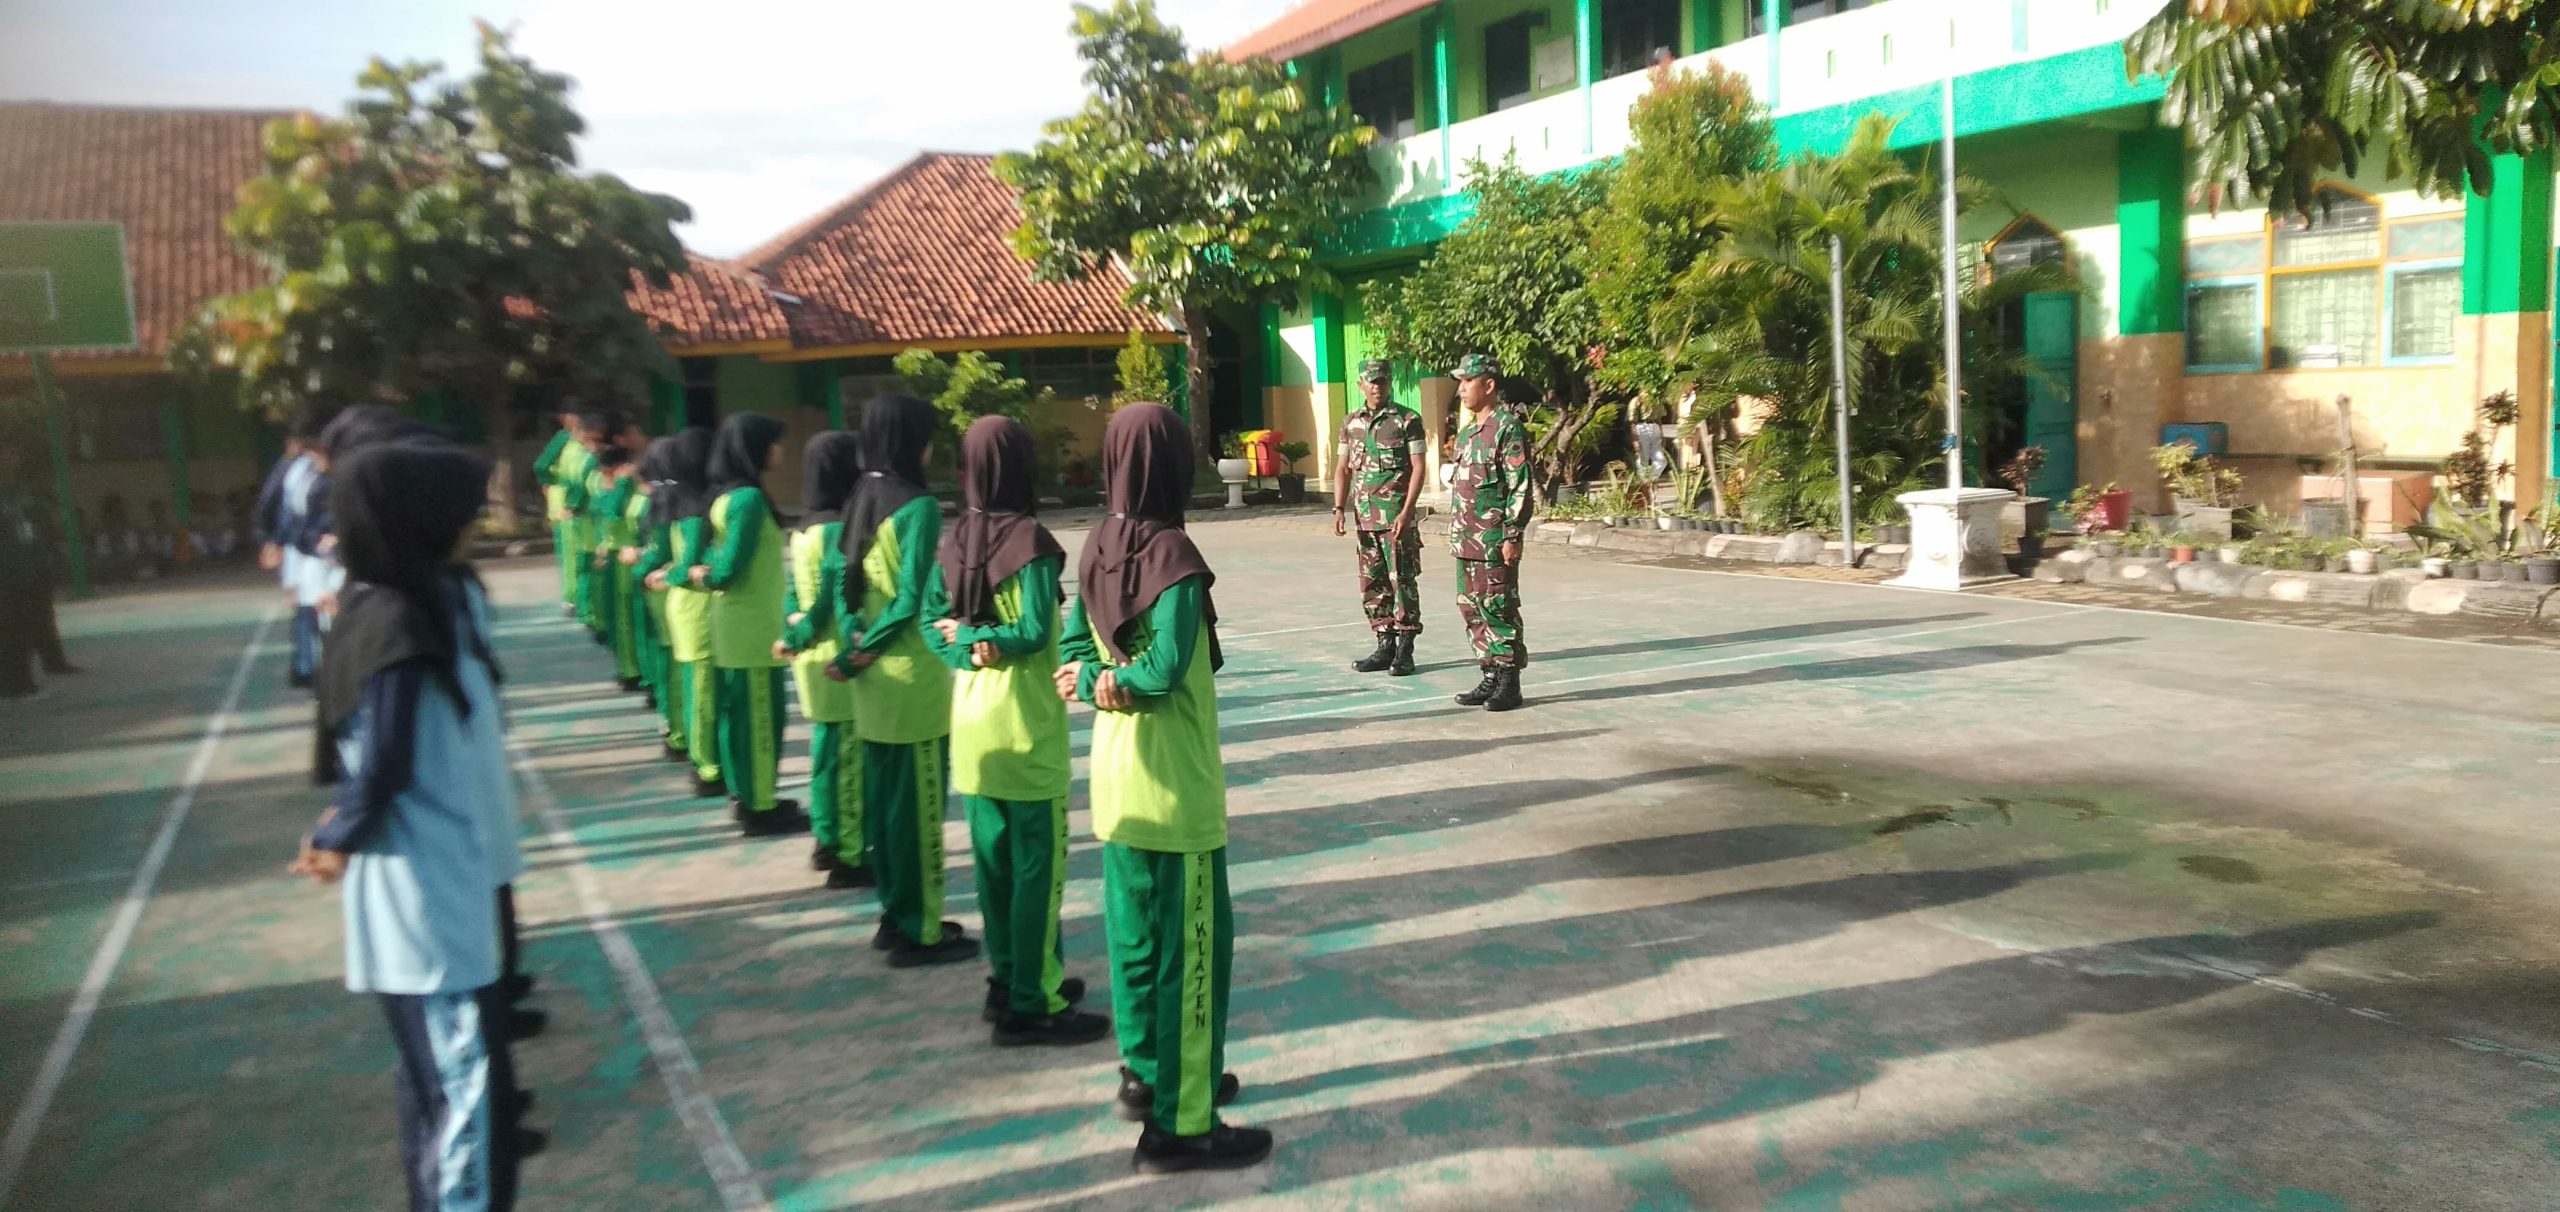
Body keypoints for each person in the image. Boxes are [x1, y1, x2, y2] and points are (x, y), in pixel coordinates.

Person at [292, 436, 529, 1212]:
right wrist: (335, 836)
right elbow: (385, 763)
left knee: (433, 1090)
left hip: (426, 882)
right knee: (462, 1101)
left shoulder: (390, 603)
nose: (472, 526)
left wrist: (338, 827)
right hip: (429, 897)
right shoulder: (398, 625)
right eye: (459, 513)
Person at [1055, 403, 1266, 1174]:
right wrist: (1118, 679)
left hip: (1117, 780)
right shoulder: (1172, 552)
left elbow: (1077, 651)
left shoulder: (1098, 545)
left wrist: (1092, 679)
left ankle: (1150, 1076)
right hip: (1176, 786)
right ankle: (1184, 1126)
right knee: (1196, 956)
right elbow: (1166, 668)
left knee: (1137, 941)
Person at [926, 415, 1104, 1046]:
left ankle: (1009, 980)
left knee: (995, 871)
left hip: (973, 729)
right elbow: (1032, 631)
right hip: (1025, 728)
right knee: (1036, 873)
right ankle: (1036, 1001)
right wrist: (984, 638)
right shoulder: (1028, 541)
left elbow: (929, 624)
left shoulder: (956, 540)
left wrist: (963, 646)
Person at [830, 395, 974, 967]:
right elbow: (912, 600)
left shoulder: (858, 496)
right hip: (910, 680)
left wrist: (853, 648)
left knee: (886, 810)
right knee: (918, 812)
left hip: (871, 684)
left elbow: (844, 585)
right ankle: (922, 928)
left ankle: (895, 913)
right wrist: (872, 650)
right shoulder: (917, 508)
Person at [689, 413, 805, 835]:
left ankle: (747, 794)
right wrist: (707, 574)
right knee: (759, 719)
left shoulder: (726, 496)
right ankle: (760, 805)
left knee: (739, 717)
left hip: (737, 624)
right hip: (754, 628)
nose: (780, 451)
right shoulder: (747, 500)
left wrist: (705, 572)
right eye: (774, 443)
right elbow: (729, 567)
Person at [776, 431, 871, 889]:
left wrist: (792, 634)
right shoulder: (838, 530)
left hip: (810, 659)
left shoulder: (804, 530)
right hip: (837, 655)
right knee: (848, 760)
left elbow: (795, 593)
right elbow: (835, 600)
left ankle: (827, 836)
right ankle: (849, 853)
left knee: (825, 755)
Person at [1446, 355, 1532, 713]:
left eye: (1469, 380)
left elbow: (1520, 486)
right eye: (1460, 381)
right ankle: (1489, 674)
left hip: (1494, 539)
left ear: (1489, 385)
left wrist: (1513, 534)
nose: (1462, 388)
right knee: (1471, 608)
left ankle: (1509, 682)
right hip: (1465, 538)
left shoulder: (1507, 428)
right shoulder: (1466, 433)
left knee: (1499, 607)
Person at [1333, 358, 1428, 677]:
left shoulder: (1407, 419)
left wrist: (1408, 511)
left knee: (1401, 581)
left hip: (1396, 520)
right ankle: (1384, 642)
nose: (1377, 386)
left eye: (1383, 381)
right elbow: (1343, 469)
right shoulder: (1350, 423)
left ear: (1390, 384)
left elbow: (1418, 467)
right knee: (1371, 582)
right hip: (1364, 520)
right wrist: (1338, 508)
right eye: (1371, 381)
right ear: (1360, 384)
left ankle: (1405, 648)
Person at [646, 428, 725, 798]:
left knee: (695, 689)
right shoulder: (695, 508)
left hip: (685, 608)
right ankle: (707, 767)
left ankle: (702, 758)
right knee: (704, 692)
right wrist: (675, 574)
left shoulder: (676, 501)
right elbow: (688, 563)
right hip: (697, 609)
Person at [586, 443, 644, 692]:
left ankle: (636, 671)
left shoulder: (630, 488)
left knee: (630, 619)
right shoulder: (606, 489)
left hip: (629, 558)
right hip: (612, 557)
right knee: (618, 619)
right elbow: (598, 512)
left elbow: (613, 513)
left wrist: (621, 484)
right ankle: (627, 667)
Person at [1, 432, 51, 700]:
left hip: (24, 569)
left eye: (15, 454)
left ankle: (23, 681)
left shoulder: (17, 489)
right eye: (7, 454)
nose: (13, 459)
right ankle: (13, 684)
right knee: (10, 631)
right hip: (6, 573)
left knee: (25, 628)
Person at [532, 411, 591, 618]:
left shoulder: (579, 442)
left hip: (569, 503)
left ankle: (576, 598)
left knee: (575, 555)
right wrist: (547, 482)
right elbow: (541, 465)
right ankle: (573, 598)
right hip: (567, 504)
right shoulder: (567, 438)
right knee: (573, 554)